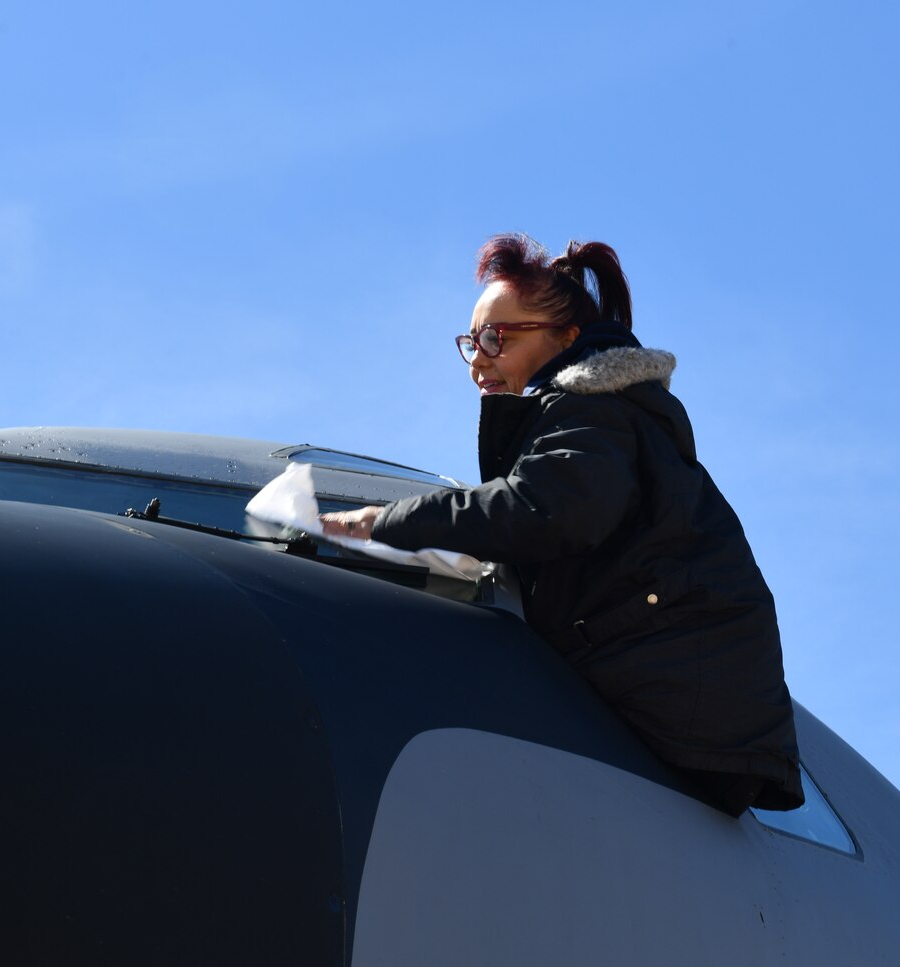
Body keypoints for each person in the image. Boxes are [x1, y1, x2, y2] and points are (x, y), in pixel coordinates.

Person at [323, 235, 802, 815]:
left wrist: (387, 522)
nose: (479, 357)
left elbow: (542, 510)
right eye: (472, 341)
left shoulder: (593, 410)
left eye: (497, 338)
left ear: (566, 339)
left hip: (685, 707)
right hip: (693, 707)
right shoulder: (601, 414)